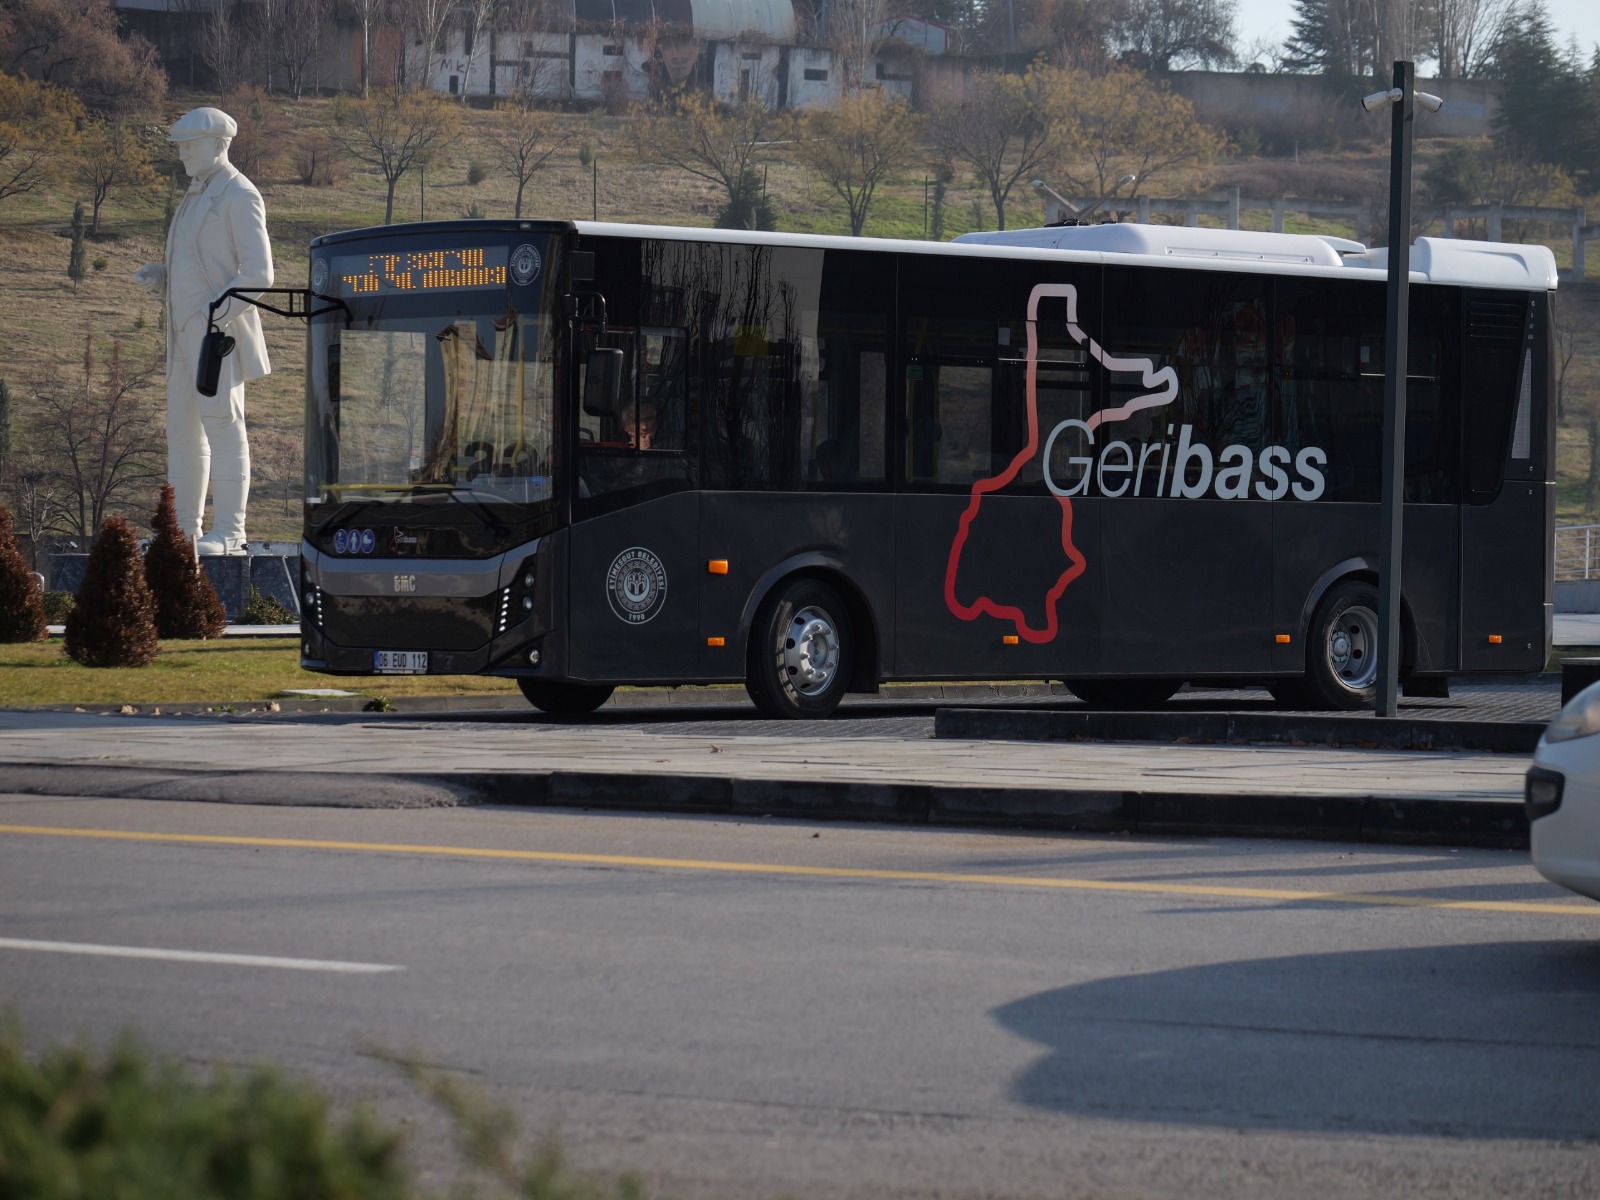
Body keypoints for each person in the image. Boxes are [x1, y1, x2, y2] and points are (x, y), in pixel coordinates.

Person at [135, 107, 273, 555]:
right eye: (180, 147)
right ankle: (182, 532)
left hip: (217, 336)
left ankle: (230, 531)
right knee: (182, 433)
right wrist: (162, 277)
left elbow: (259, 273)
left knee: (223, 425)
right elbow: (195, 266)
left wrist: (216, 314)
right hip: (181, 335)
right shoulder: (193, 196)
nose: (183, 155)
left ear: (218, 144)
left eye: (190, 146)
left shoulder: (240, 194)